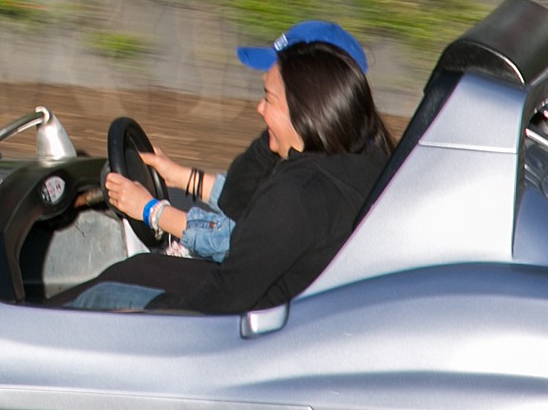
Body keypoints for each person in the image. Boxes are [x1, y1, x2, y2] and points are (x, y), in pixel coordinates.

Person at [57, 22, 393, 314]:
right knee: (135, 269)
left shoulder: (298, 194)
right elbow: (241, 201)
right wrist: (280, 131)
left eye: (268, 97)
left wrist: (153, 212)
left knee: (98, 298)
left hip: (248, 324)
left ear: (312, 105)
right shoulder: (360, 156)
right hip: (280, 306)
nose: (258, 108)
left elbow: (220, 295)